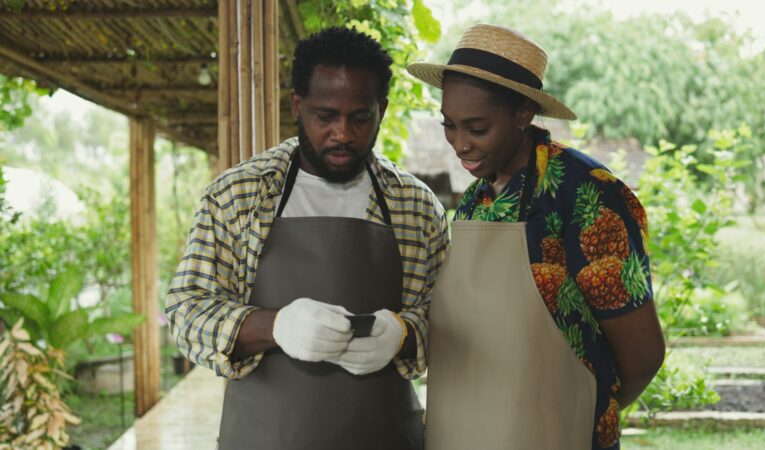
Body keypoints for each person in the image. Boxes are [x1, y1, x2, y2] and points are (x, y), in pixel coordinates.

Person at [165, 27, 449, 450]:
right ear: (298, 105)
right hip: (263, 439)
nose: (343, 133)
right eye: (325, 115)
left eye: (360, 116)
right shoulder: (239, 194)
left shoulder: (415, 205)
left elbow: (452, 323)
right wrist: (275, 326)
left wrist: (404, 334)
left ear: (382, 110)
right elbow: (186, 312)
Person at [408, 24, 664, 450]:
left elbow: (642, 357)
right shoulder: (476, 199)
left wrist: (577, 415)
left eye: (476, 127)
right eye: (449, 126)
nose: (459, 144)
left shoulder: (586, 194)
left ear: (523, 114)